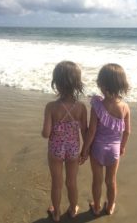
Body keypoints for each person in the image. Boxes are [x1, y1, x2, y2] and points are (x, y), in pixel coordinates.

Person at [80, 63, 131, 216]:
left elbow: (92, 131)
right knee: (111, 181)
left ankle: (96, 207)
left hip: (97, 148)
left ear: (103, 85)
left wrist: (85, 149)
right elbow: (128, 131)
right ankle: (109, 208)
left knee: (97, 180)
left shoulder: (98, 105)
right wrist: (122, 147)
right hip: (114, 149)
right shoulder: (125, 107)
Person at [42, 61, 87, 222]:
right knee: (71, 181)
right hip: (74, 149)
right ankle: (73, 208)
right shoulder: (81, 107)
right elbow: (85, 131)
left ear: (56, 84)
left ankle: (55, 213)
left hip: (55, 149)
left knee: (56, 182)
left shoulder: (51, 107)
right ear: (77, 84)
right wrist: (85, 151)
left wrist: (48, 128)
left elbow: (46, 134)